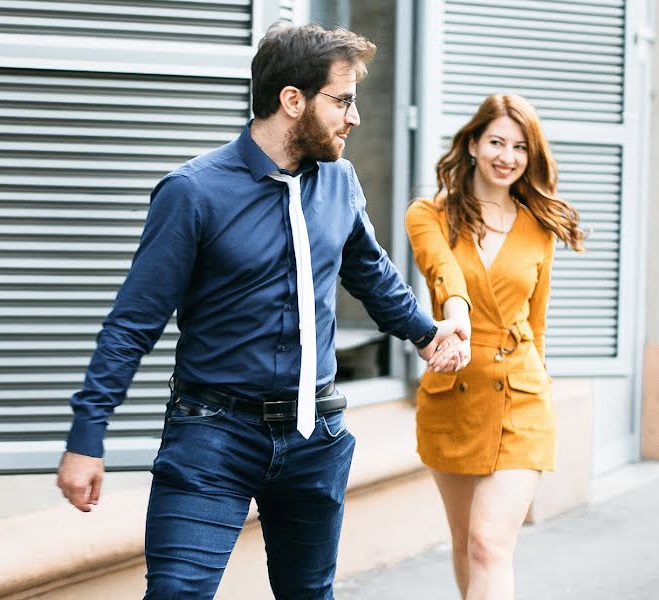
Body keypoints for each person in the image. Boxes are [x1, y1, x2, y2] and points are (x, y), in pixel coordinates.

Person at [57, 23, 468, 599]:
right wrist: (86, 435)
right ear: (292, 100)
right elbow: (134, 322)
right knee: (177, 594)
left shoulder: (339, 181)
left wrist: (425, 335)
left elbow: (367, 270)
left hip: (316, 436)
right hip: (212, 437)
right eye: (342, 101)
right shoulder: (193, 192)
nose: (354, 118)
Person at [405, 93, 586, 600]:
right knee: (466, 544)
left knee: (488, 545)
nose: (507, 156)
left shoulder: (540, 227)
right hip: (455, 392)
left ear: (532, 156)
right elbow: (442, 271)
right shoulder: (430, 214)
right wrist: (457, 314)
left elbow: (538, 320)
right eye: (497, 142)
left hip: (522, 396)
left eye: (521, 147)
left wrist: (539, 380)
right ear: (473, 144)